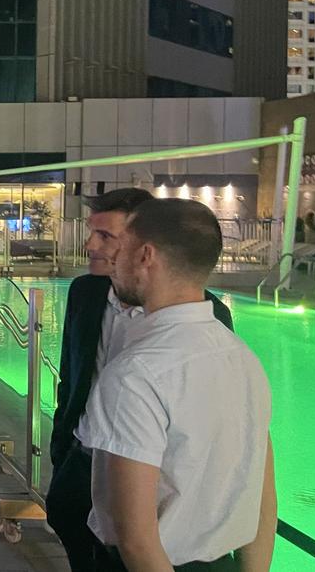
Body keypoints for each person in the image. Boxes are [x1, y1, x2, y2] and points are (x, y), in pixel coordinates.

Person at [76, 199, 275, 571]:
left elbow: (137, 541)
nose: (112, 258)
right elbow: (263, 492)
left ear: (145, 256)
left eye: (121, 247)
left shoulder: (135, 375)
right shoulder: (242, 358)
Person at [46, 188, 235, 571]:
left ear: (144, 247)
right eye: (92, 232)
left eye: (106, 236)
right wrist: (63, 454)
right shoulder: (85, 292)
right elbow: (71, 377)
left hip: (153, 482)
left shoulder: (205, 316)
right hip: (82, 466)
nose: (90, 245)